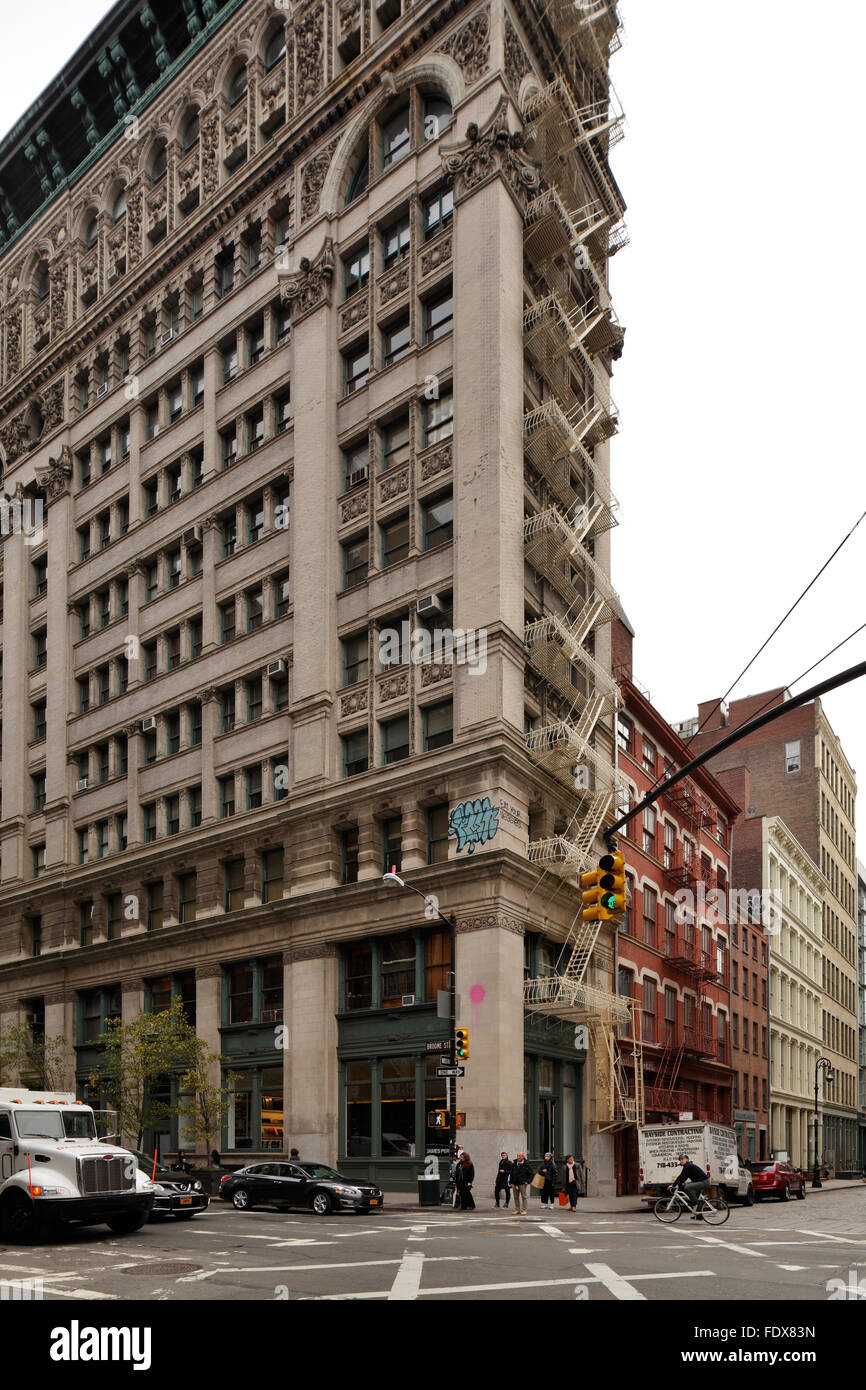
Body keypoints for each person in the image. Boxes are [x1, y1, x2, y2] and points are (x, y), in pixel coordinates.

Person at [671, 1153, 710, 1218]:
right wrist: (677, 1184)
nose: (681, 1161)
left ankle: (694, 1202)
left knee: (687, 1187)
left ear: (687, 1159)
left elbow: (681, 1176)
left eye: (682, 1159)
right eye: (680, 1159)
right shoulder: (687, 1166)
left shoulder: (688, 1166)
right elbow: (683, 1177)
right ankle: (699, 1215)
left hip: (704, 1182)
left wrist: (673, 1185)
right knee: (685, 1185)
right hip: (701, 1182)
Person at [510, 1151, 533, 1215]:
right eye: (518, 1156)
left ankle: (524, 1210)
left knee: (524, 1197)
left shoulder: (527, 1164)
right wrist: (511, 1182)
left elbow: (531, 1174)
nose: (518, 1157)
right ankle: (517, 1210)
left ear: (523, 1156)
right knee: (516, 1197)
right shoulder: (514, 1163)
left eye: (520, 1156)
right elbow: (511, 1173)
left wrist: (527, 1181)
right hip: (515, 1183)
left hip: (523, 1183)